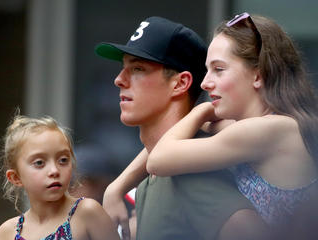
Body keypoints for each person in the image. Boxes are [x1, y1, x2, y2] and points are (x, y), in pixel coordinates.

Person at [95, 16, 267, 240]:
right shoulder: (153, 176)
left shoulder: (188, 172)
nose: (119, 79)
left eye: (137, 69)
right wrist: (115, 188)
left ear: (180, 83)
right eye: (123, 68)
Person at [146, 12, 318, 230]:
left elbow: (159, 159)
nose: (205, 83)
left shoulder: (270, 129)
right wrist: (118, 187)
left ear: (258, 75)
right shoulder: (260, 127)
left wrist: (202, 110)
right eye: (207, 70)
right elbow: (167, 140)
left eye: (218, 70)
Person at [0, 115, 120, 240]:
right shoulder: (7, 232)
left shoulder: (87, 212)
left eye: (63, 160)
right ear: (16, 177)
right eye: (39, 163)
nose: (54, 171)